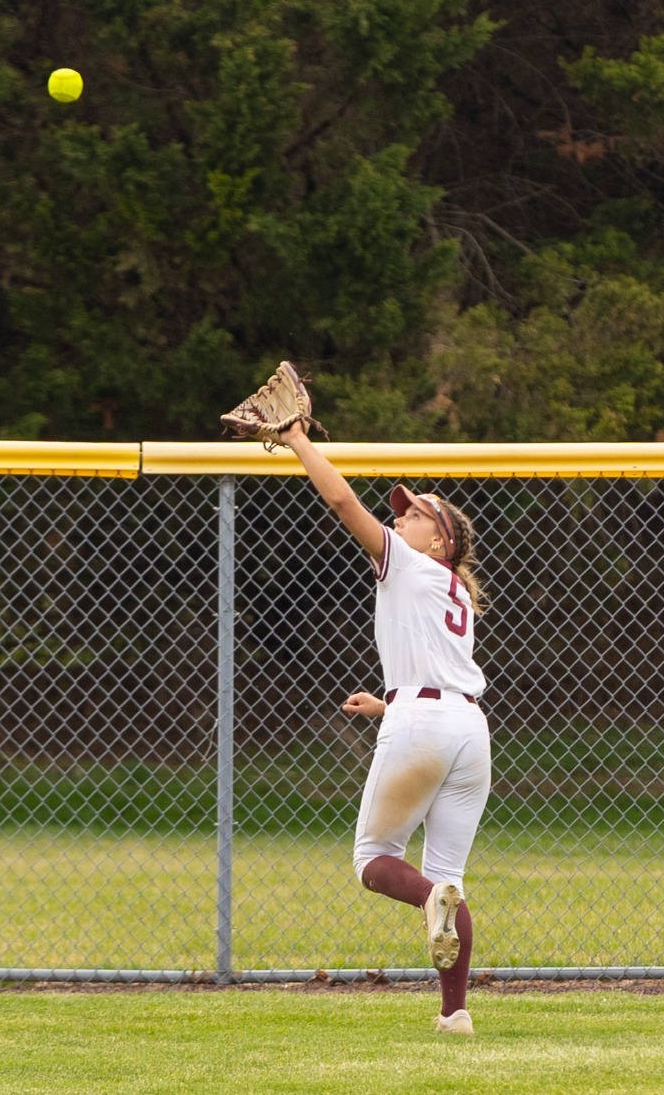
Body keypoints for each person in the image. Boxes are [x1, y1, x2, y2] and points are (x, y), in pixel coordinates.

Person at [281, 420, 492, 1036]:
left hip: (424, 725)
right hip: (469, 730)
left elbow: (342, 500)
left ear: (438, 543)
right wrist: (388, 703)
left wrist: (297, 440)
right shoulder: (452, 587)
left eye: (415, 514)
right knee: (448, 878)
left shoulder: (409, 565)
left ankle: (431, 904)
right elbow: (439, 670)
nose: (399, 519)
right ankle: (455, 1015)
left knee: (374, 860)